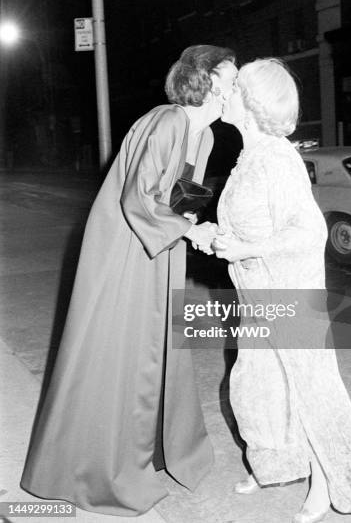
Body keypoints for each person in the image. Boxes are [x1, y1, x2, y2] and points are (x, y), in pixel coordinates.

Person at [21, 45, 238, 516]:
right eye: (229, 77)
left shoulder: (202, 137)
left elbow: (181, 199)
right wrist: (187, 229)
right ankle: (92, 468)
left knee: (153, 352)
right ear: (206, 81)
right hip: (125, 252)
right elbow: (137, 198)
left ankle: (150, 450)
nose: (234, 87)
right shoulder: (167, 121)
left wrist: (199, 229)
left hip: (157, 252)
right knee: (119, 356)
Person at [212, 58, 351, 523]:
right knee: (259, 387)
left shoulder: (277, 159)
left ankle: (330, 486)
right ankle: (278, 467)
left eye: (233, 88)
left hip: (289, 297)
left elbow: (309, 232)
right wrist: (223, 239)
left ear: (252, 103)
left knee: (312, 392)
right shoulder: (250, 157)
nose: (225, 94)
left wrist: (245, 246)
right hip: (258, 297)